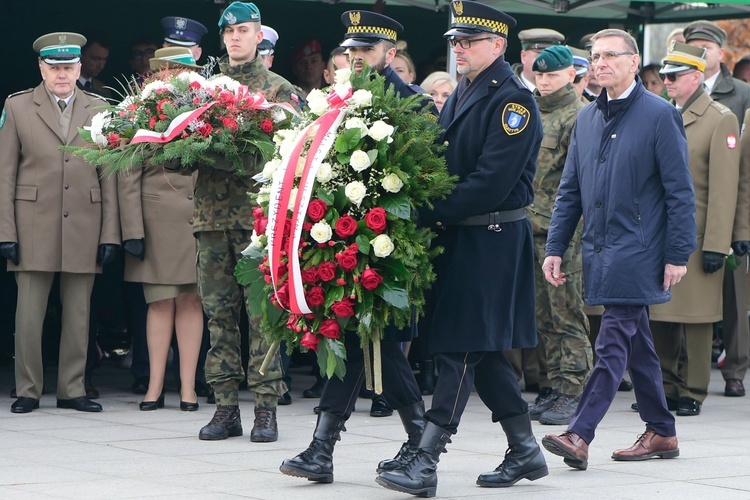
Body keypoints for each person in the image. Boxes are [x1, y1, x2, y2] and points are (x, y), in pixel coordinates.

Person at [376, 2, 548, 496]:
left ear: (498, 46)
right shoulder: (465, 92)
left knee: (458, 347)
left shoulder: (513, 101)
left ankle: (426, 458)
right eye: (455, 42)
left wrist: (424, 211)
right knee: (484, 350)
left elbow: (491, 182)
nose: (459, 49)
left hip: (490, 236)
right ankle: (525, 449)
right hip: (464, 235)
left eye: (468, 41)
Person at [279, 10, 432, 485]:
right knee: (351, 335)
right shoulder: (332, 101)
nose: (358, 58)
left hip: (391, 244)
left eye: (367, 50)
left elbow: (425, 183)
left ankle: (401, 443)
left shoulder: (416, 105)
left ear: (391, 53)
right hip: (340, 239)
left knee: (377, 340)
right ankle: (331, 447)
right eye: (351, 51)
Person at [541, 28, 696, 470]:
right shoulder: (587, 118)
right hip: (599, 247)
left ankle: (579, 432)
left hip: (640, 249)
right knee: (637, 343)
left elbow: (679, 192)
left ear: (633, 62)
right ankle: (662, 432)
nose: (600, 62)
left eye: (611, 55)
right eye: (594, 56)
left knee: (611, 342)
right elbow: (569, 190)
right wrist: (555, 246)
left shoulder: (659, 115)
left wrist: (677, 253)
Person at [169, 1, 300, 443]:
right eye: (228, 32)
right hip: (210, 218)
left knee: (263, 314)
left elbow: (288, 155)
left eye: (243, 30)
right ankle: (225, 406)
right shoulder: (201, 91)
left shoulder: (280, 91)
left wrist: (231, 149)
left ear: (259, 35)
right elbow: (177, 158)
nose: (235, 38)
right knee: (218, 313)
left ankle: (266, 408)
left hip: (258, 220)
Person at [0, 32, 120, 413]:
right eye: (54, 68)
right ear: (41, 68)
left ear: (80, 68)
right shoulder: (18, 107)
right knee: (30, 313)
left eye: (69, 67)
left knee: (79, 311)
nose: (62, 75)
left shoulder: (101, 108)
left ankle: (72, 389)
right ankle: (28, 389)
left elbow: (110, 175)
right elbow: (4, 175)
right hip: (32, 221)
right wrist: (5, 231)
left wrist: (111, 233)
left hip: (85, 221)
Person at [649, 42, 740, 417]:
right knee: (661, 316)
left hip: (698, 233)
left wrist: (718, 243)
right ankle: (666, 386)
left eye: (674, 76)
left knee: (698, 318)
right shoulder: (659, 113)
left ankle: (694, 389)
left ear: (696, 77)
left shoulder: (720, 119)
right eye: (665, 76)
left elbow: (724, 187)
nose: (666, 82)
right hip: (659, 233)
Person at [118, 47, 206, 412]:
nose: (174, 76)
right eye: (167, 70)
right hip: (155, 223)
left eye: (182, 70)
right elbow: (126, 175)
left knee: (191, 301)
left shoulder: (210, 110)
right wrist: (132, 230)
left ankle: (187, 388)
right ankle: (154, 386)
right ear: (156, 74)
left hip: (198, 221)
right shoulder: (140, 111)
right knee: (158, 304)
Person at [526, 46, 592, 427]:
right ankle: (555, 385)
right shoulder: (531, 113)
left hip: (563, 233)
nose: (545, 81)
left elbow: (581, 181)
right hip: (530, 228)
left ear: (571, 74)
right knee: (543, 315)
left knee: (567, 312)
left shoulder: (580, 115)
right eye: (540, 75)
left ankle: (576, 390)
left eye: (552, 75)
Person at [684, 20, 750, 398]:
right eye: (694, 45)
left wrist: (740, 230)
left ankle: (735, 369)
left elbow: (742, 174)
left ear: (721, 53)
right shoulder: (675, 94)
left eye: (706, 46)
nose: (701, 52)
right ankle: (681, 371)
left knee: (734, 297)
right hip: (691, 215)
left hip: (730, 211)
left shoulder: (740, 94)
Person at [515, 28, 565, 93]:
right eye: (540, 58)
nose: (547, 64)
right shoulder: (505, 88)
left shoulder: (563, 93)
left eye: (552, 58)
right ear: (524, 57)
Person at [77, 30, 112, 99]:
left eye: (104, 59)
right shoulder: (64, 85)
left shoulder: (104, 90)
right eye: (95, 59)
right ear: (80, 55)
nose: (101, 66)